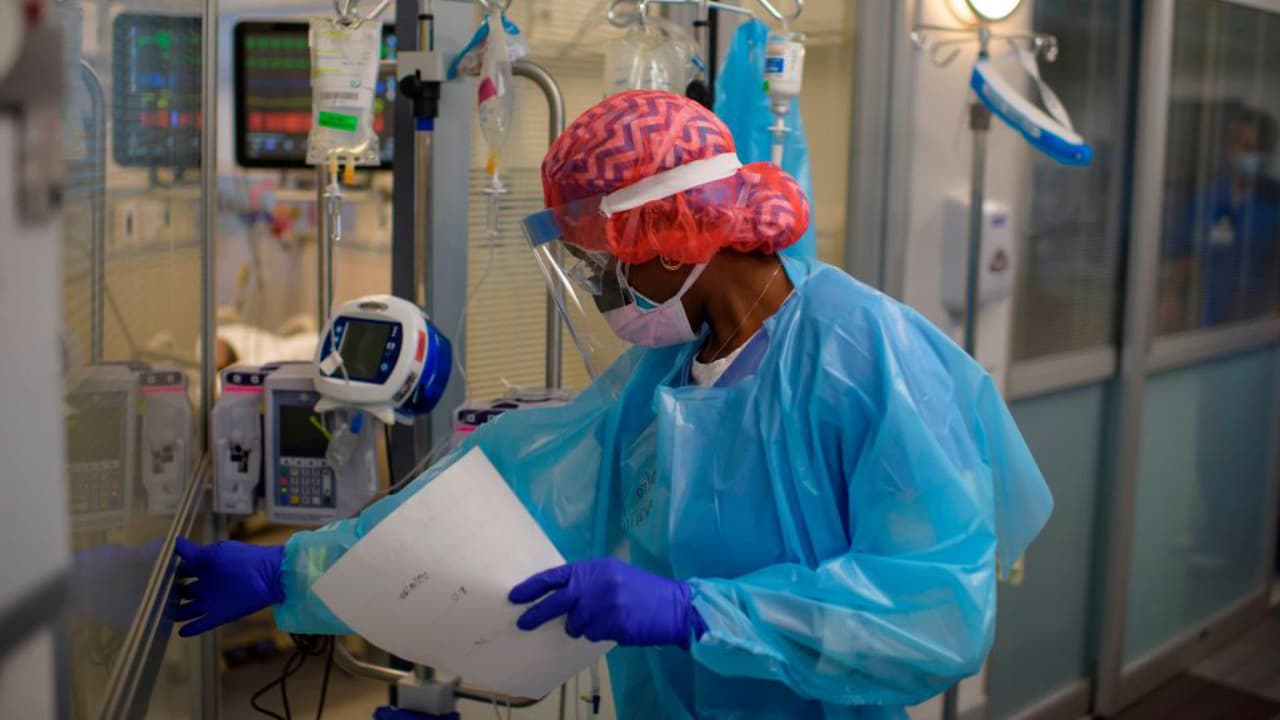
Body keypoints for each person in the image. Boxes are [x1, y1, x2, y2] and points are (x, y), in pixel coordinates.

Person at [174, 91, 1052, 719]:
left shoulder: (867, 358)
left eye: (601, 259)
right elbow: (508, 493)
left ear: (668, 233)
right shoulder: (662, 381)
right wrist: (296, 573)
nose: (601, 287)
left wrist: (696, 612)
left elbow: (936, 614)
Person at [1162, 104, 1280, 332]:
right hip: (1212, 321)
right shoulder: (1210, 198)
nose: (1255, 157)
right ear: (1230, 146)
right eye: (1248, 148)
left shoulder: (1274, 200)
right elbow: (1188, 252)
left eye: (1262, 150)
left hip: (1262, 326)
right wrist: (1173, 296)